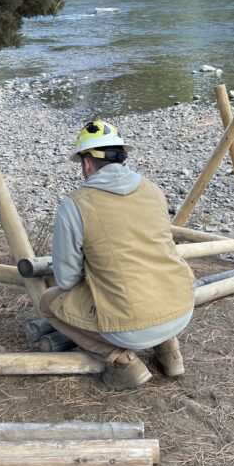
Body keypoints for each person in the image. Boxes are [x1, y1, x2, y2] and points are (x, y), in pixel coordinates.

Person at [40, 120, 195, 391]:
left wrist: (94, 271)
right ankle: (170, 354)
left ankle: (122, 363)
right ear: (122, 156)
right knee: (147, 278)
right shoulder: (153, 190)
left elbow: (66, 279)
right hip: (181, 308)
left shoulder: (76, 204)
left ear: (87, 163)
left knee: (48, 302)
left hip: (131, 325)